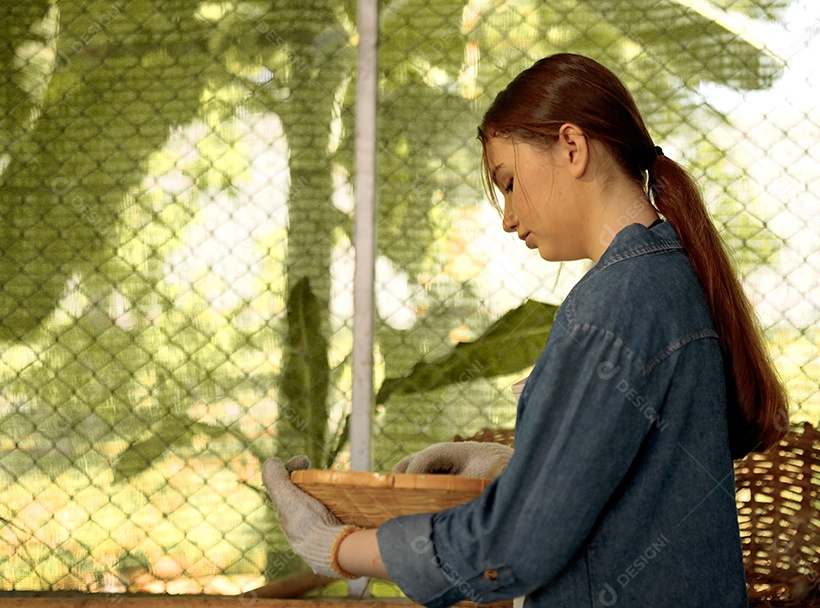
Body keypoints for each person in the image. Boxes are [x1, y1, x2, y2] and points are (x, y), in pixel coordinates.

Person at [262, 52, 789, 607]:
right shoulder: (663, 279)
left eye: (508, 183)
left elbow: (512, 547)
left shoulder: (614, 303)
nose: (508, 217)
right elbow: (635, 480)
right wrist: (522, 467)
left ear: (571, 147)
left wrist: (333, 544)